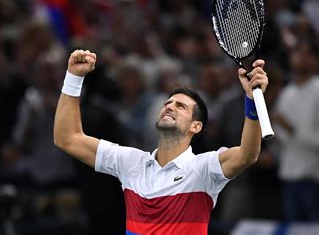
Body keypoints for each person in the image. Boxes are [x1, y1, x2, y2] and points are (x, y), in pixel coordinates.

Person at [54, 49, 269, 234]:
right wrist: (73, 78)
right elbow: (67, 138)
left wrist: (251, 101)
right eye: (168, 102)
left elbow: (247, 154)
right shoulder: (130, 162)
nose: (170, 106)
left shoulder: (204, 168)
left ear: (196, 126)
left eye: (181, 106)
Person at [273, 40, 319, 222]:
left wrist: (291, 130)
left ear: (315, 60)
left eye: (306, 54)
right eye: (297, 53)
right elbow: (279, 135)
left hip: (313, 179)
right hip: (288, 178)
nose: (299, 58)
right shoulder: (287, 93)